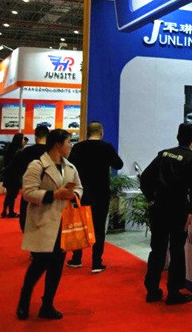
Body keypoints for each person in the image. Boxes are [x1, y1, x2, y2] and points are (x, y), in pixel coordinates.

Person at [16, 129, 82, 320]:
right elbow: (28, 192)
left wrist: (74, 194)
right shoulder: (37, 165)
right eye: (68, 142)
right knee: (39, 263)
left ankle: (47, 304)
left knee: (57, 265)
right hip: (43, 221)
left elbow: (79, 187)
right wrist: (54, 194)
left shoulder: (70, 167)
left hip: (63, 222)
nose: (70, 146)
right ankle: (24, 299)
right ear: (58, 145)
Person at [141, 124, 192, 305]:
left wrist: (151, 199)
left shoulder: (164, 154)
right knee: (176, 250)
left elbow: (145, 178)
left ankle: (152, 290)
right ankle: (174, 292)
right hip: (178, 209)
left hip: (158, 208)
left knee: (157, 249)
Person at [66, 121, 124, 273]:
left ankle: (76, 259)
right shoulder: (106, 147)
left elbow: (69, 167)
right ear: (101, 132)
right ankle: (96, 262)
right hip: (101, 193)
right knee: (99, 227)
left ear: (87, 132)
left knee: (79, 225)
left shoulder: (78, 147)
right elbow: (119, 164)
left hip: (82, 192)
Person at [9, 125, 50, 232]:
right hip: (50, 193)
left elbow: (13, 170)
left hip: (30, 192)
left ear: (35, 136)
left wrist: (21, 185)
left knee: (27, 224)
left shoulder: (25, 152)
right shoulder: (52, 152)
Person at [1, 133, 25, 218]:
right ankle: (10, 212)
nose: (23, 140)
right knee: (12, 195)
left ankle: (4, 211)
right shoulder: (18, 151)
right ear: (19, 140)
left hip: (8, 174)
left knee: (9, 194)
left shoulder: (10, 148)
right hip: (15, 175)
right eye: (23, 139)